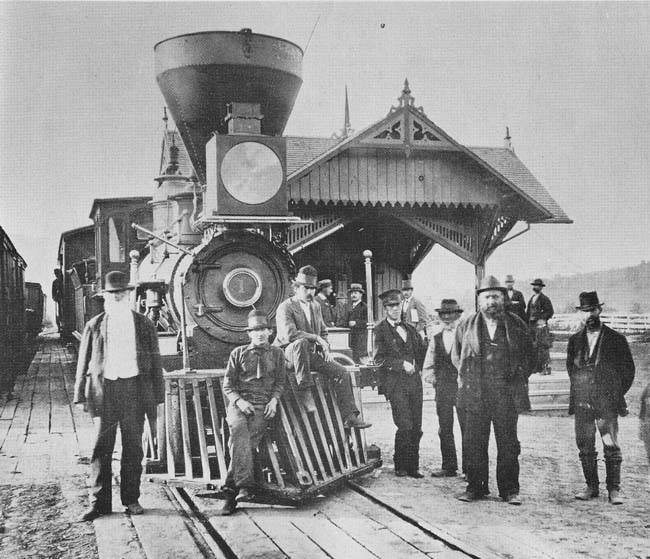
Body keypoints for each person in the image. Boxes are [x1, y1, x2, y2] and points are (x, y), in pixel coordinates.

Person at [74, 271, 164, 521]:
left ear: (129, 294)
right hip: (105, 393)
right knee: (101, 448)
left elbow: (155, 362)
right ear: (105, 296)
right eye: (113, 293)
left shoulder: (143, 324)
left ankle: (131, 499)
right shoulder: (95, 325)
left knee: (133, 448)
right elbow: (84, 362)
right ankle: (98, 503)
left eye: (122, 292)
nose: (118, 296)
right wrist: (81, 395)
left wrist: (157, 395)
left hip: (134, 391)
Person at [453, 276, 533, 504]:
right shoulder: (466, 325)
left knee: (508, 443)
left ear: (503, 299)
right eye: (487, 297)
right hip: (475, 394)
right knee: (475, 442)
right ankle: (475, 488)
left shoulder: (516, 324)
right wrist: (468, 379)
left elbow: (529, 355)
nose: (491, 301)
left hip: (505, 395)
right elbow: (457, 356)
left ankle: (509, 490)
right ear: (479, 300)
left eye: (496, 297)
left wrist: (517, 376)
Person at [274, 265, 371, 429]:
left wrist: (326, 348)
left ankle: (350, 417)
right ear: (296, 287)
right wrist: (316, 337)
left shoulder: (315, 306)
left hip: (309, 356)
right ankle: (305, 391)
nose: (310, 292)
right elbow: (289, 335)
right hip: (288, 355)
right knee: (301, 342)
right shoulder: (286, 307)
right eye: (306, 288)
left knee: (341, 372)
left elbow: (324, 331)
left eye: (313, 288)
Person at [567, 291, 635, 505]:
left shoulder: (617, 340)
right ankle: (591, 487)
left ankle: (614, 489)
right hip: (582, 403)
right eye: (585, 311)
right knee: (585, 445)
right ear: (580, 314)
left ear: (600, 310)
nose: (589, 315)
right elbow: (571, 370)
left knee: (611, 445)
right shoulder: (574, 341)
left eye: (592, 310)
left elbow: (628, 372)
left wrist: (614, 394)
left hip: (607, 404)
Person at [218, 310, 286, 515]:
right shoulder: (238, 353)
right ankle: (243, 487)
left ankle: (231, 493)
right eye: (255, 330)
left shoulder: (277, 354)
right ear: (249, 334)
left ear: (270, 332)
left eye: (263, 329)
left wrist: (274, 401)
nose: (260, 334)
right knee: (239, 431)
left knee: (243, 442)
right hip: (239, 405)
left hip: (262, 406)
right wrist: (239, 401)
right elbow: (228, 385)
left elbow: (280, 383)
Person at [374, 289, 427, 478]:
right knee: (404, 424)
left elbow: (422, 352)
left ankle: (413, 466)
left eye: (397, 305)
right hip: (396, 384)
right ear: (385, 308)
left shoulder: (410, 329)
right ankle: (400, 465)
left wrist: (419, 366)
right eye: (390, 306)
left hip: (414, 383)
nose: (394, 309)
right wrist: (400, 364)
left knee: (417, 426)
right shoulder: (379, 330)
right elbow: (379, 359)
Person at [423, 299, 465, 478]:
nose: (447, 318)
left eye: (451, 315)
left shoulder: (465, 336)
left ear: (457, 316)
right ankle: (449, 466)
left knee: (468, 428)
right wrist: (435, 381)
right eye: (444, 315)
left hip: (463, 388)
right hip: (443, 389)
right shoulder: (436, 338)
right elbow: (428, 364)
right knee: (445, 427)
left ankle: (471, 469)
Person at [526, 278, 555, 375]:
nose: (536, 287)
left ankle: (546, 368)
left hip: (540, 326)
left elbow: (550, 311)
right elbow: (528, 312)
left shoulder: (544, 299)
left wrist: (542, 319)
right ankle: (536, 368)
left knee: (543, 346)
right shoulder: (532, 298)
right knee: (533, 346)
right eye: (534, 285)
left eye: (538, 286)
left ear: (541, 288)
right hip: (531, 326)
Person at [344, 283, 368, 363]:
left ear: (360, 294)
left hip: (361, 339)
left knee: (360, 361)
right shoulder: (348, 307)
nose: (353, 295)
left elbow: (368, 321)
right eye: (352, 293)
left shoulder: (365, 307)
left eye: (356, 293)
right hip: (350, 339)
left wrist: (356, 323)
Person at [52, 268, 63, 333]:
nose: (56, 275)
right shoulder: (55, 282)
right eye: (56, 274)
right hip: (59, 300)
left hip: (64, 299)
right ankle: (59, 327)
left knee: (61, 313)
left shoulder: (63, 281)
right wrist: (55, 298)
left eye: (57, 273)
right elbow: (53, 292)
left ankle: (61, 326)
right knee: (59, 314)